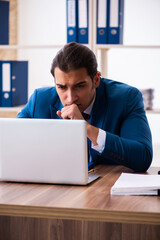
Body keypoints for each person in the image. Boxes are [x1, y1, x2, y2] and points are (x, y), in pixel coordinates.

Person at [17, 42, 152, 172]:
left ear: (96, 79)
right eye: (61, 87)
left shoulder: (126, 98)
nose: (70, 98)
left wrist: (85, 127)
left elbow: (143, 157)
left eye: (80, 86)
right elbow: (10, 143)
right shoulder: (39, 100)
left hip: (106, 188)